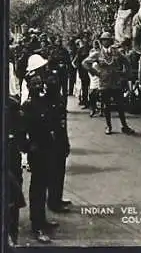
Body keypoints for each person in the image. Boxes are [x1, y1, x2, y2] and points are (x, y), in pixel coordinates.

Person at [21, 54, 60, 243]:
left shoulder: (43, 101)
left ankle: (42, 220)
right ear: (29, 86)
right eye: (35, 85)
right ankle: (36, 226)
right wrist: (29, 147)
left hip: (47, 148)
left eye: (40, 84)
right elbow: (23, 132)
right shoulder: (28, 106)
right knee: (37, 188)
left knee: (43, 184)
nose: (39, 86)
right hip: (37, 152)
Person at [82, 32, 135, 135]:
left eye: (108, 40)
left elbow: (126, 62)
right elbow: (85, 63)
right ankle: (108, 126)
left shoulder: (117, 52)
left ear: (111, 41)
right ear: (101, 42)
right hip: (104, 83)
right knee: (106, 106)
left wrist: (125, 74)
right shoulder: (97, 53)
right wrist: (96, 73)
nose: (106, 42)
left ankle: (124, 126)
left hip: (116, 82)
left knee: (120, 106)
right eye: (104, 40)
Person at [46, 70, 71, 213]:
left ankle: (57, 198)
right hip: (53, 142)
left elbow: (63, 124)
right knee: (54, 173)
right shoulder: (50, 102)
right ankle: (53, 202)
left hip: (60, 140)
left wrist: (66, 141)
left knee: (59, 172)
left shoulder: (59, 100)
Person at [8, 94, 26, 245]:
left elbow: (21, 134)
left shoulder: (12, 106)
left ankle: (13, 236)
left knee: (13, 199)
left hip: (11, 158)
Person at [48, 35, 72, 109]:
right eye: (57, 41)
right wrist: (53, 70)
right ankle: (58, 105)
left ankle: (64, 106)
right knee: (56, 90)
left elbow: (69, 62)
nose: (59, 43)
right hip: (56, 73)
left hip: (64, 72)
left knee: (65, 91)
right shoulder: (53, 52)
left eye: (60, 41)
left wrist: (68, 71)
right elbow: (50, 63)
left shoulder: (65, 51)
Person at [72, 38, 90, 108]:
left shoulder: (81, 50)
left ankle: (85, 101)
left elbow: (77, 62)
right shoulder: (86, 49)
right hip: (85, 70)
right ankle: (85, 101)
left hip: (84, 71)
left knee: (85, 86)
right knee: (86, 86)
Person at [87, 40, 102, 117]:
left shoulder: (101, 52)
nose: (95, 46)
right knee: (92, 93)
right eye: (94, 44)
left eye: (96, 44)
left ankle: (102, 109)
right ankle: (93, 109)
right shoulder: (91, 51)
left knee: (100, 93)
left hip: (99, 73)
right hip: (92, 73)